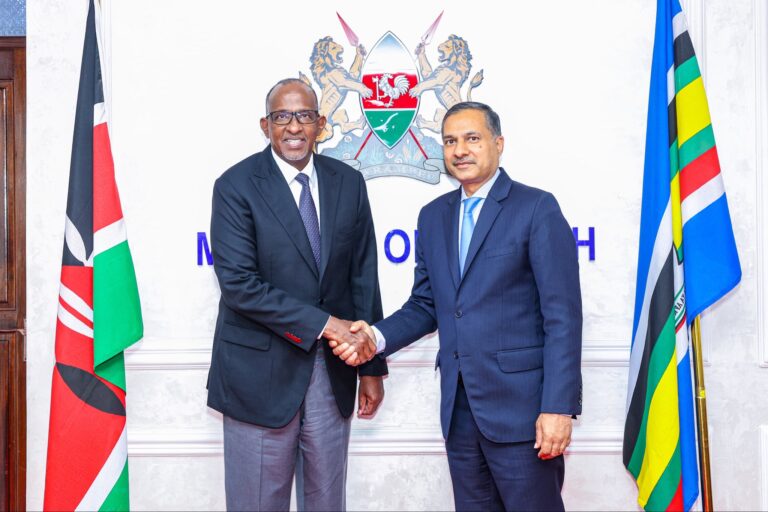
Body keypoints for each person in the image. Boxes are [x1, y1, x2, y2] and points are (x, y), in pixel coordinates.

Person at [332, 101, 582, 511]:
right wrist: (373, 338)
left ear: (498, 144)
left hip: (525, 415)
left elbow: (563, 318)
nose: (460, 150)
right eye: (450, 141)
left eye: (472, 139)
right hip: (460, 413)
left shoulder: (536, 208)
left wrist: (558, 407)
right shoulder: (433, 217)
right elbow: (426, 304)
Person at [206, 78, 387, 512]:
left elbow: (363, 277)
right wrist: (326, 324)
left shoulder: (348, 182)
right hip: (258, 378)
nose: (293, 127)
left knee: (327, 503)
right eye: (282, 117)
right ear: (265, 125)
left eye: (304, 116)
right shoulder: (235, 186)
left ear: (321, 124)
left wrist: (371, 366)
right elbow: (239, 285)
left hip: (332, 375)